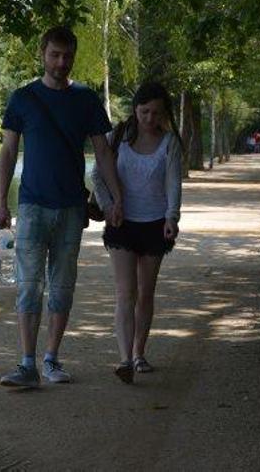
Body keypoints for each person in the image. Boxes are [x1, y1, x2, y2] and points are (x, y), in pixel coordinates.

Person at [0, 26, 123, 387]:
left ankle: (51, 359)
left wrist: (115, 199)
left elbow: (103, 152)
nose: (61, 62)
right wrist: (1, 202)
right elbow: (7, 152)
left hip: (71, 208)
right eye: (55, 55)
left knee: (63, 285)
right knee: (28, 285)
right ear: (43, 54)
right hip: (33, 204)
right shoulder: (22, 98)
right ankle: (26, 364)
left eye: (67, 56)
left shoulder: (86, 100)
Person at [92, 81, 183, 384]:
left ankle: (139, 353)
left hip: (155, 224)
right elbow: (98, 174)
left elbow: (173, 183)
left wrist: (172, 217)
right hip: (121, 224)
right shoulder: (117, 137)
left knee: (145, 293)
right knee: (124, 292)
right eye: (144, 111)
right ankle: (124, 359)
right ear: (135, 110)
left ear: (164, 114)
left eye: (156, 113)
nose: (149, 118)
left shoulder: (169, 143)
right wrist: (107, 207)